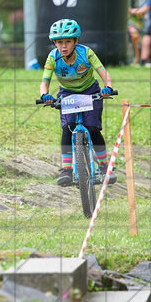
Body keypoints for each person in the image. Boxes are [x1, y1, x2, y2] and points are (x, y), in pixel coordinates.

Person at [38, 19, 115, 187]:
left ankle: (104, 166)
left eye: (67, 41)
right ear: (54, 43)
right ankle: (66, 169)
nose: (63, 46)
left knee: (93, 129)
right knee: (67, 129)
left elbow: (103, 73)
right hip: (67, 93)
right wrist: (45, 95)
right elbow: (45, 82)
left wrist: (107, 87)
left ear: (76, 41)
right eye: (59, 42)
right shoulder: (53, 57)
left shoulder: (86, 53)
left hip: (90, 91)